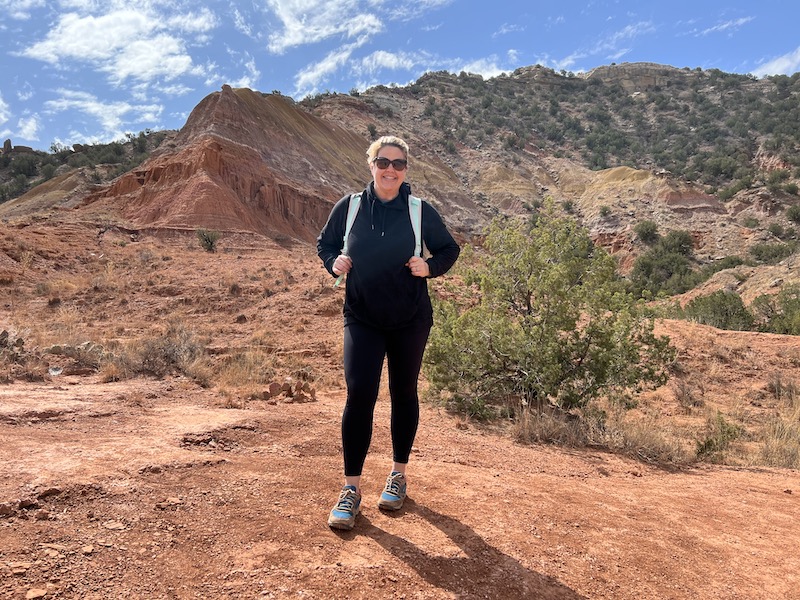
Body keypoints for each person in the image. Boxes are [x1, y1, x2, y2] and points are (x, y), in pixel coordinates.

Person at [317, 135, 460, 530]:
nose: (390, 169)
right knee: (359, 394)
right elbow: (324, 244)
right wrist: (334, 262)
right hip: (361, 316)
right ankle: (351, 490)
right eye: (383, 162)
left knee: (403, 392)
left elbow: (449, 249)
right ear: (371, 164)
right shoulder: (350, 207)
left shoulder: (419, 211)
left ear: (406, 169)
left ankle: (397, 474)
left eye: (398, 163)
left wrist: (429, 267)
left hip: (410, 318)